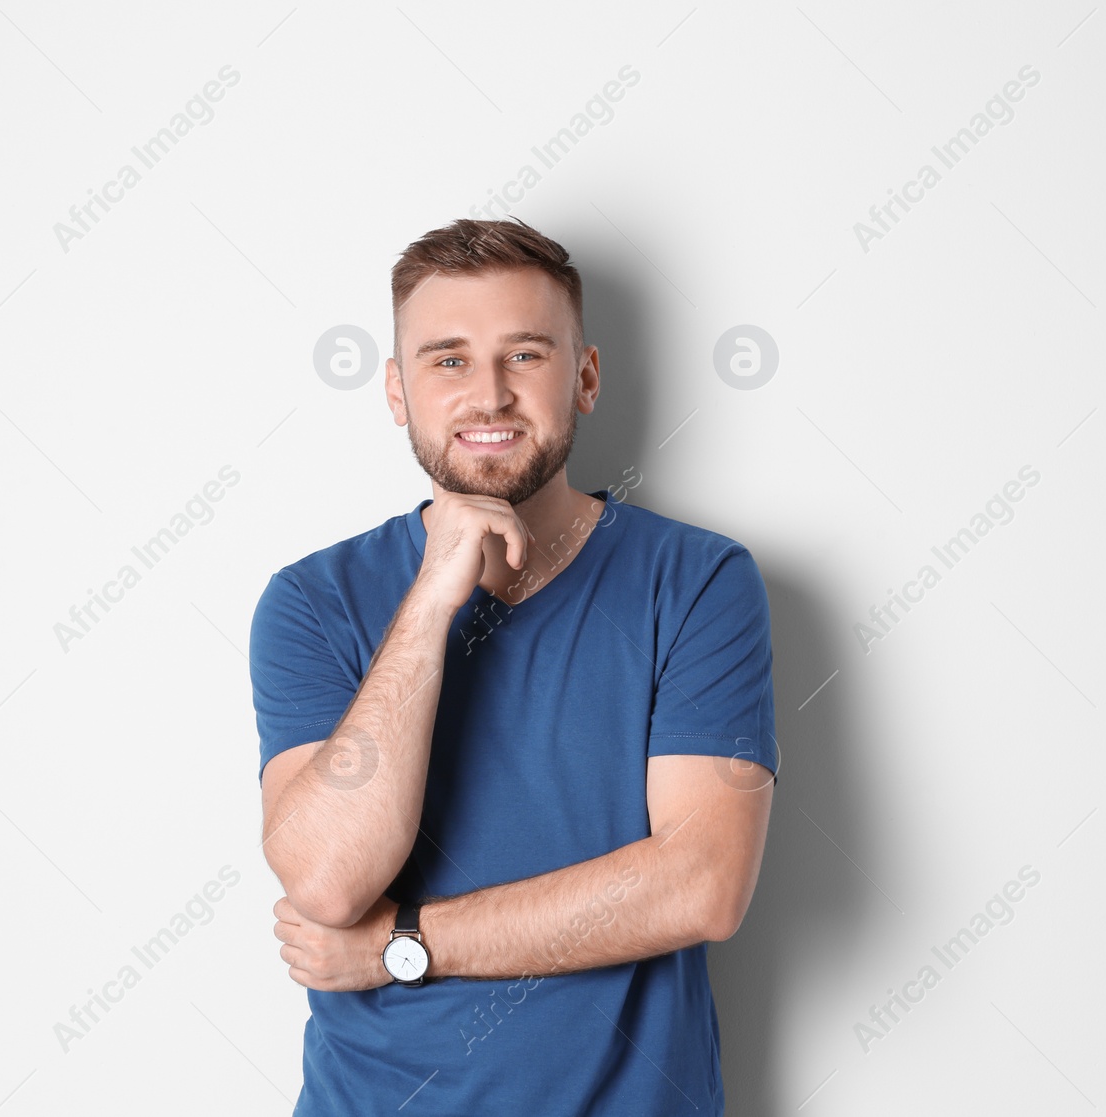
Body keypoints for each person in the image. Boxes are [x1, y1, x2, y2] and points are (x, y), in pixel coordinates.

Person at [249, 215, 777, 1115]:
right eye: (447, 360)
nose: (487, 395)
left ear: (585, 376)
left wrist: (399, 946)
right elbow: (330, 880)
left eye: (525, 356)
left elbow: (702, 884)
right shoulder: (314, 600)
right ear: (396, 391)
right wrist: (428, 604)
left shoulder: (697, 581)